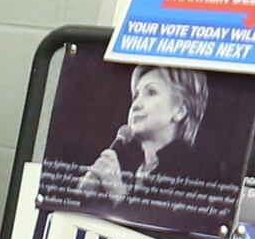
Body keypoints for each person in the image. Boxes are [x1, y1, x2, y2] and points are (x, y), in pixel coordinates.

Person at [76, 64, 209, 205]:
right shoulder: (128, 167)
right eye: (136, 95)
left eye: (151, 92)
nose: (135, 105)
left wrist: (117, 193)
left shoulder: (197, 174)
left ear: (180, 111)